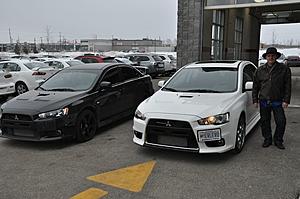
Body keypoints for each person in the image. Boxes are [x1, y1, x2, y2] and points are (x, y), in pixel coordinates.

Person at [252, 47, 291, 149]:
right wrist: (255, 100)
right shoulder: (259, 70)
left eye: (273, 56)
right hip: (264, 100)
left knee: (281, 121)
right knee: (265, 122)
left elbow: (287, 85)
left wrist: (286, 100)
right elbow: (255, 86)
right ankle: (267, 139)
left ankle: (278, 140)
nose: (271, 57)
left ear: (276, 57)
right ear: (266, 57)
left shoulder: (284, 69)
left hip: (277, 101)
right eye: (269, 56)